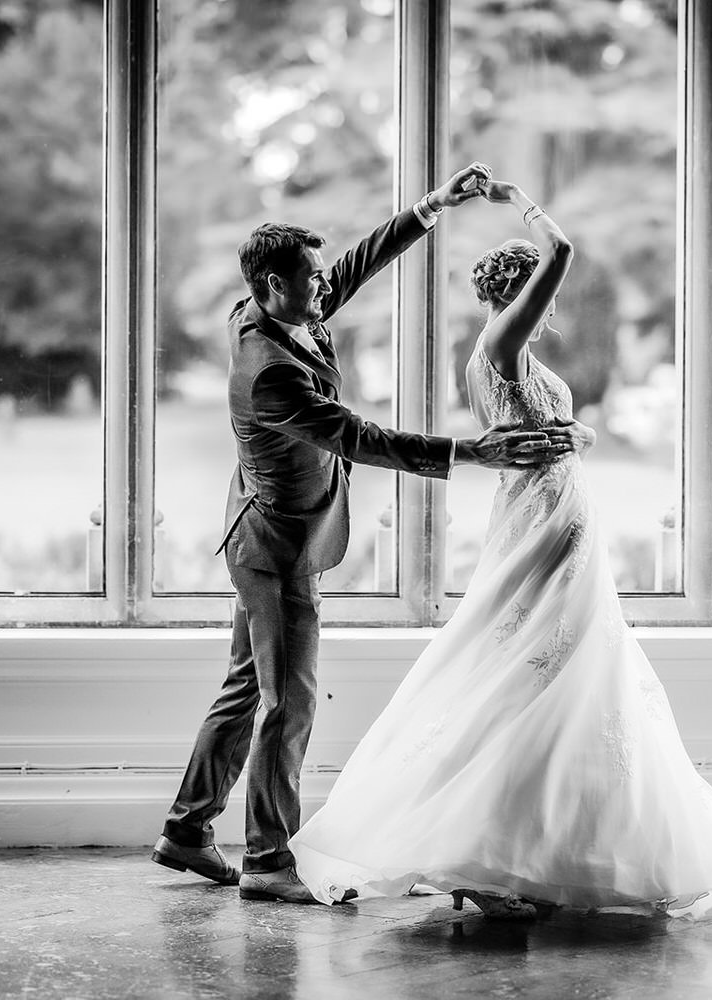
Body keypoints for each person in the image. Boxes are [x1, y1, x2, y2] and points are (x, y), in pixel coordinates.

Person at [289, 178, 712, 920]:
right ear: (520, 290)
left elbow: (534, 436)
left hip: (551, 505)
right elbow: (563, 250)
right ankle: (496, 852)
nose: (552, 303)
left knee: (555, 668)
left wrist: (580, 435)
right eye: (541, 291)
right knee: (545, 661)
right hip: (546, 518)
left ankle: (529, 851)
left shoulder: (499, 358)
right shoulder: (502, 340)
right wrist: (517, 200)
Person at [151, 162, 583, 905]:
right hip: (278, 547)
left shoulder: (270, 309)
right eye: (309, 281)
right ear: (271, 287)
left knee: (245, 687)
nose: (324, 289)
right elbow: (355, 435)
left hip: (268, 530)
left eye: (318, 279)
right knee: (292, 700)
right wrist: (465, 452)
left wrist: (431, 207)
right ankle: (266, 860)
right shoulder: (268, 372)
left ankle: (187, 831)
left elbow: (351, 267)